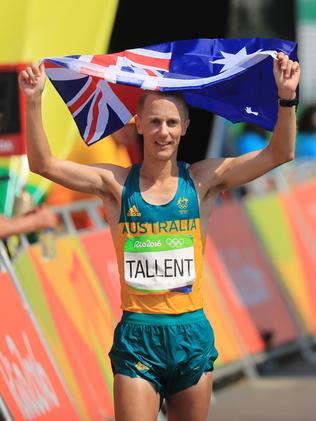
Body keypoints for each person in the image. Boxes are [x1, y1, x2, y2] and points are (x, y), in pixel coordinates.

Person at [18, 51, 300, 421]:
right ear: (138, 125)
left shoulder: (203, 181)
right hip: (138, 337)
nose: (162, 132)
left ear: (184, 126)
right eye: (153, 122)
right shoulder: (115, 185)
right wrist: (35, 100)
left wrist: (287, 96)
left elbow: (280, 152)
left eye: (170, 122)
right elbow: (44, 165)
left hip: (191, 335)